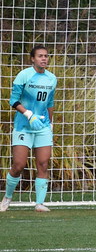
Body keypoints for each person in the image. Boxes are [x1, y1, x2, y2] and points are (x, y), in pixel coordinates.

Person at [2, 45, 57, 213]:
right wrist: (29, 115)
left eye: (46, 56)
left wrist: (50, 125)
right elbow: (13, 100)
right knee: (19, 164)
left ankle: (39, 203)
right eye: (40, 56)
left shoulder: (52, 78)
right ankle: (7, 197)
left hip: (42, 127)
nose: (44, 59)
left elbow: (50, 103)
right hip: (23, 126)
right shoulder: (24, 75)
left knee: (43, 163)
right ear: (32, 59)